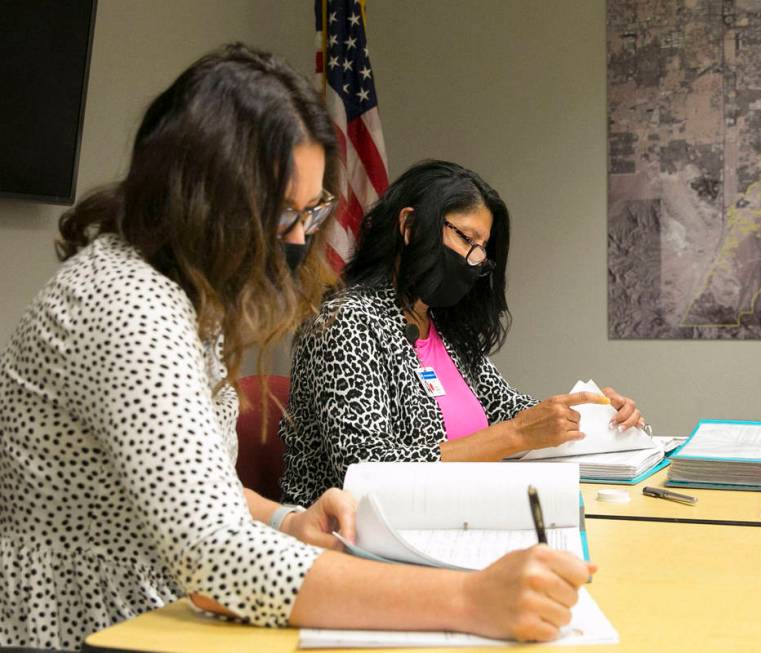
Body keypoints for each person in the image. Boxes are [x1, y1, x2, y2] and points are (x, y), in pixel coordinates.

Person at [0, 45, 594, 650]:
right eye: (283, 212)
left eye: (310, 213)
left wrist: (286, 519)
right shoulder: (128, 307)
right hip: (92, 628)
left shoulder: (183, 300)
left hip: (163, 612)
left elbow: (200, 487)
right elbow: (216, 557)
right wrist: (469, 600)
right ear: (203, 192)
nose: (296, 238)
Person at [280, 160, 645, 505]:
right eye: (467, 239)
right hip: (351, 540)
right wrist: (516, 434)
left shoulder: (441, 325)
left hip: (448, 519)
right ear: (409, 227)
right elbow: (366, 466)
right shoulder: (344, 322)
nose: (475, 260)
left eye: (482, 249)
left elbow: (507, 409)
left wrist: (594, 413)